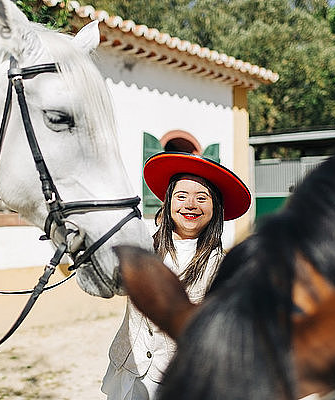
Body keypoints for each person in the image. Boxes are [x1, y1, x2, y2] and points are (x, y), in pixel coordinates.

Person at [101, 151, 251, 400]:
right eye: (181, 196)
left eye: (202, 198)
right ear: (169, 203)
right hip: (129, 370)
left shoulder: (225, 269)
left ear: (216, 208)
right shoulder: (143, 249)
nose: (190, 205)